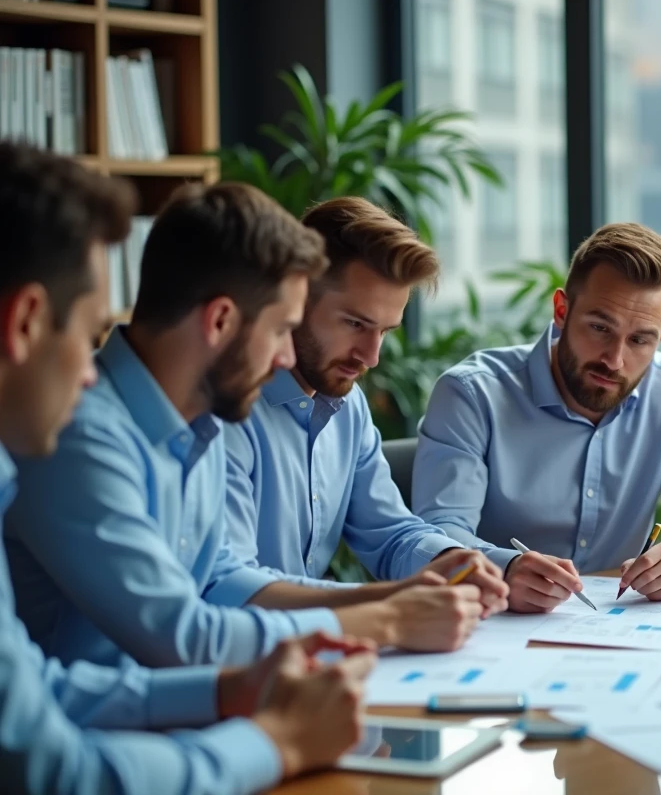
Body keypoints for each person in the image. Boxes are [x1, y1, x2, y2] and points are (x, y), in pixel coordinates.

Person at [0, 141, 376, 794]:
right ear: (27, 323)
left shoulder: (204, 427)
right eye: (86, 333)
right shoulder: (76, 435)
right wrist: (276, 741)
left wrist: (228, 690)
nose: (89, 372)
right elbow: (51, 769)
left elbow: (39, 695)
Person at [4, 180, 483, 671]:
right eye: (280, 329)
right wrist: (386, 619)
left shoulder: (200, 421)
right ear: (220, 322)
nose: (284, 358)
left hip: (176, 700)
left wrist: (397, 598)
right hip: (117, 711)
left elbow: (222, 580)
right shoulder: (77, 433)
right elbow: (181, 634)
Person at [412, 222, 661, 613]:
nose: (615, 359)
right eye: (600, 328)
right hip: (494, 620)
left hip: (619, 625)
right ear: (562, 310)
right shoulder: (472, 394)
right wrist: (506, 569)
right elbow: (439, 535)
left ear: (660, 338)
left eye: (639, 340)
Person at [222, 196, 507, 615]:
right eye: (355, 324)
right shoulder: (226, 410)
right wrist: (383, 606)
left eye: (385, 332)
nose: (371, 357)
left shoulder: (348, 405)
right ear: (296, 300)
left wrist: (459, 564)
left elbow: (390, 534)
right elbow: (231, 586)